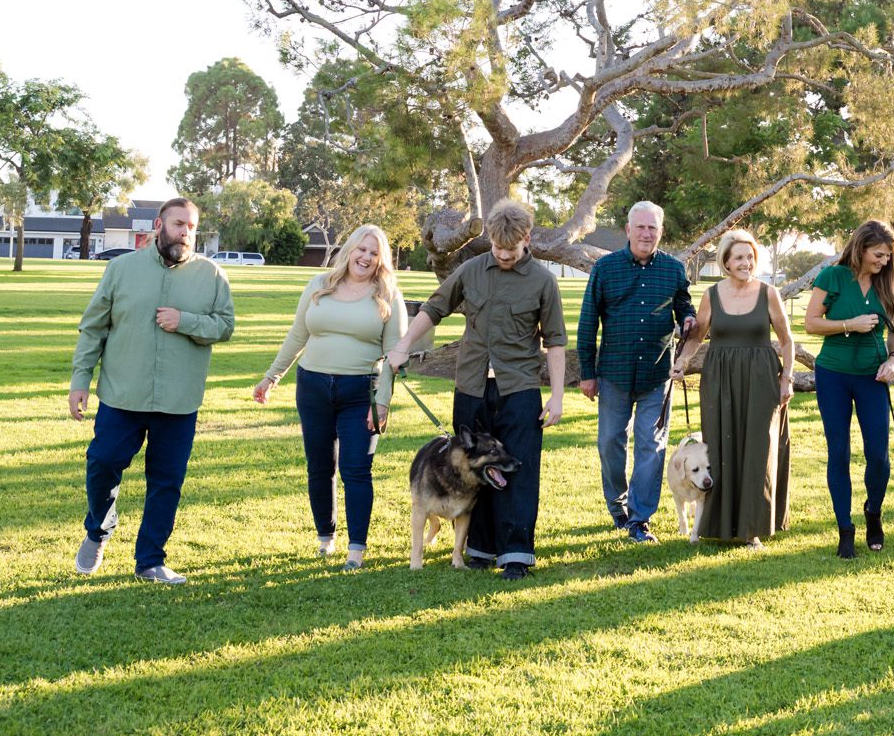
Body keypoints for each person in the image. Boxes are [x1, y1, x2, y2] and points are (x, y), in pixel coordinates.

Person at [385, 200, 565, 579]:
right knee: (472, 472)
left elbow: (556, 340)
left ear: (526, 240)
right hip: (470, 385)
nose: (502, 255)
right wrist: (403, 346)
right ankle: (480, 549)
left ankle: (516, 555)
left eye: (511, 250)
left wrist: (558, 395)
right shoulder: (470, 270)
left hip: (519, 389)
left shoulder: (543, 281)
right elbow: (434, 308)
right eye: (497, 247)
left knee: (518, 470)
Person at [69, 197, 236, 584]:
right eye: (178, 224)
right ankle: (98, 527)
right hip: (122, 394)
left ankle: (150, 561)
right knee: (102, 463)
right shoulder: (121, 269)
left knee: (166, 481)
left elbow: (225, 326)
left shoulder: (211, 276)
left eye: (192, 227)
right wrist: (81, 380)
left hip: (179, 400)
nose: (185, 233)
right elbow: (93, 327)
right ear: (158, 226)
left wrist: (187, 321)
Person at [251, 224, 404, 570]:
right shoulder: (320, 285)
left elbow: (395, 354)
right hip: (313, 387)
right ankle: (325, 537)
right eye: (361, 249)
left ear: (381, 260)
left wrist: (382, 401)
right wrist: (271, 376)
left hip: (360, 393)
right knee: (320, 467)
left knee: (356, 469)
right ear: (349, 249)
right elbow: (297, 334)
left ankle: (356, 549)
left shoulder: (387, 295)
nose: (365, 257)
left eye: (373, 252)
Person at [576, 201, 697, 543]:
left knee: (652, 447)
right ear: (628, 230)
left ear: (661, 232)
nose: (646, 233)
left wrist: (687, 316)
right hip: (613, 374)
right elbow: (588, 324)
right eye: (640, 227)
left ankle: (639, 519)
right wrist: (587, 373)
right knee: (610, 444)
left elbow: (683, 304)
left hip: (656, 376)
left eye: (653, 228)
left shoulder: (673, 269)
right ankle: (618, 506)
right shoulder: (606, 269)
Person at [675, 227, 792, 546]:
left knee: (757, 449)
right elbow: (697, 335)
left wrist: (787, 378)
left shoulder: (769, 292)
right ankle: (719, 523)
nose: (746, 262)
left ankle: (752, 527)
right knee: (721, 447)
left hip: (761, 378)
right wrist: (682, 361)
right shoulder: (712, 295)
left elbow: (786, 339)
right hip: (720, 378)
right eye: (739, 257)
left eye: (750, 256)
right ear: (726, 261)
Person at [802, 219, 894, 558]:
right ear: (861, 249)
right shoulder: (832, 277)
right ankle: (844, 528)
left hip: (872, 378)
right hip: (833, 373)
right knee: (839, 453)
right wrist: (850, 325)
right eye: (878, 255)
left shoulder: (891, 285)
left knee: (878, 454)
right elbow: (811, 323)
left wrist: (893, 360)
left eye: (888, 256)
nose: (884, 262)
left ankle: (873, 512)